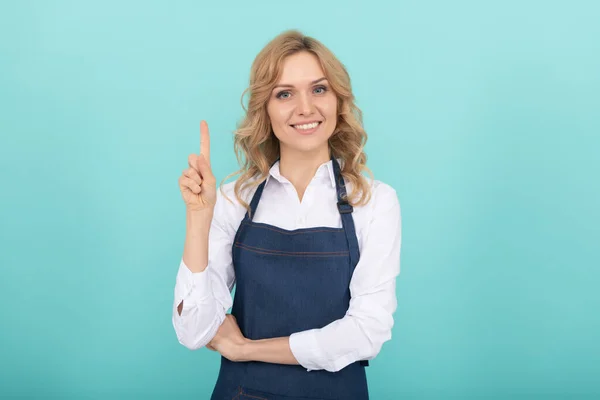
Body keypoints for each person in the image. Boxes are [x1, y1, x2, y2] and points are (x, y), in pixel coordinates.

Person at [172, 30, 402, 400]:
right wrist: (199, 218)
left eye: (319, 89)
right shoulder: (235, 201)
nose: (305, 108)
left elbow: (366, 333)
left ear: (339, 101)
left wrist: (247, 349)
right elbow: (193, 331)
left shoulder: (374, 202)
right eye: (284, 93)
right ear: (265, 109)